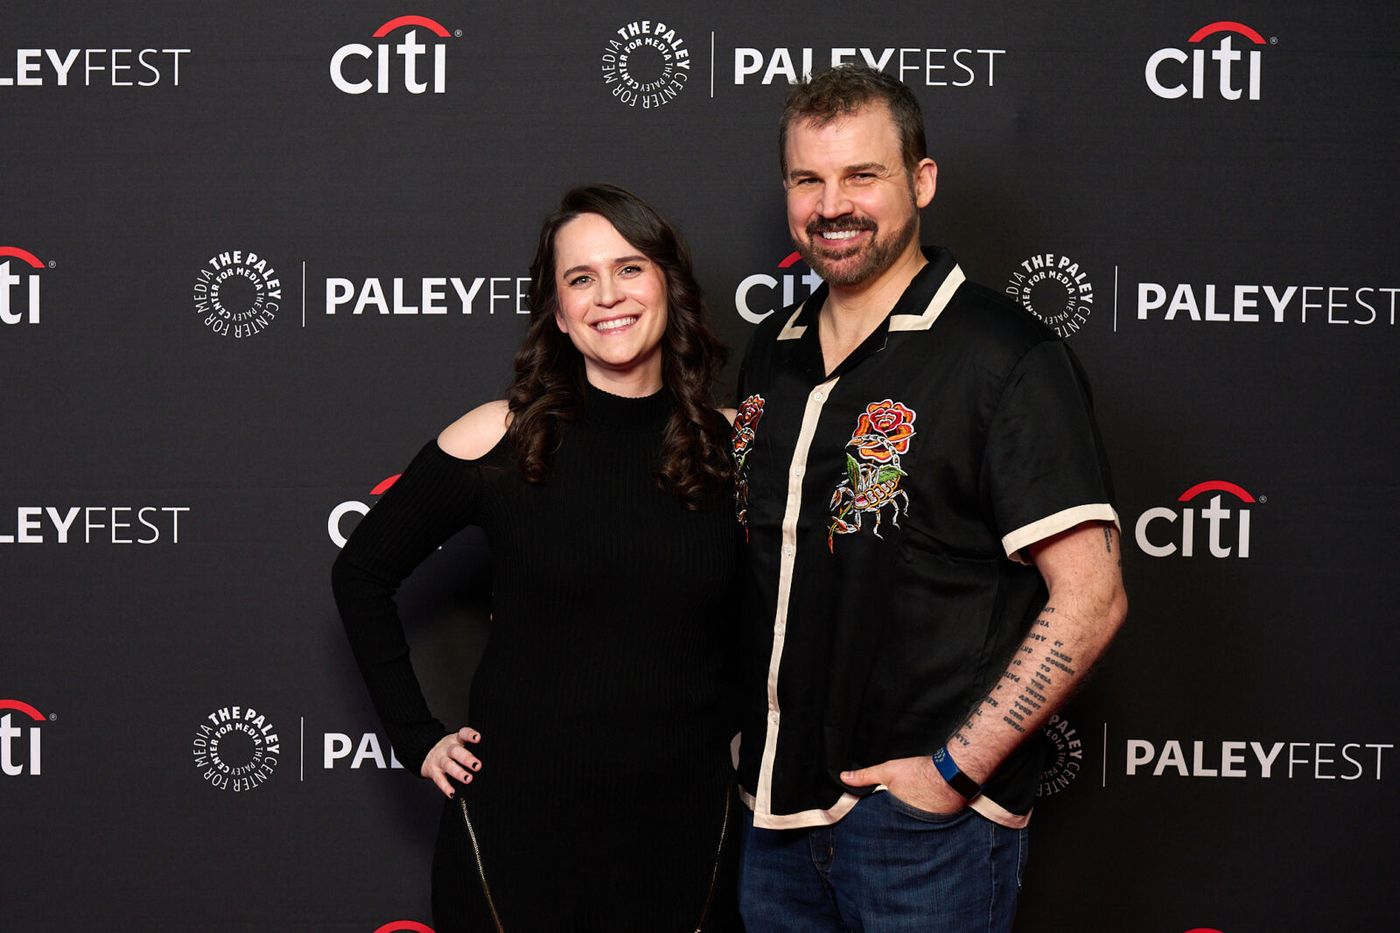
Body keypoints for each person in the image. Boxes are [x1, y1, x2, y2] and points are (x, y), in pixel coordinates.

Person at [731, 65, 1129, 932]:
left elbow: (1092, 597)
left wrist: (948, 774)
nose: (832, 203)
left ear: (921, 180)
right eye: (809, 179)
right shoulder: (773, 349)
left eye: (862, 175)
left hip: (919, 840)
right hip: (776, 824)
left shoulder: (1004, 354)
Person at [331, 184, 742, 932]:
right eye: (580, 278)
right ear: (557, 310)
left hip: (683, 832)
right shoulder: (503, 438)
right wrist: (417, 736)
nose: (607, 296)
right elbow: (360, 573)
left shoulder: (732, 445)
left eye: (630, 268)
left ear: (669, 284)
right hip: (518, 833)